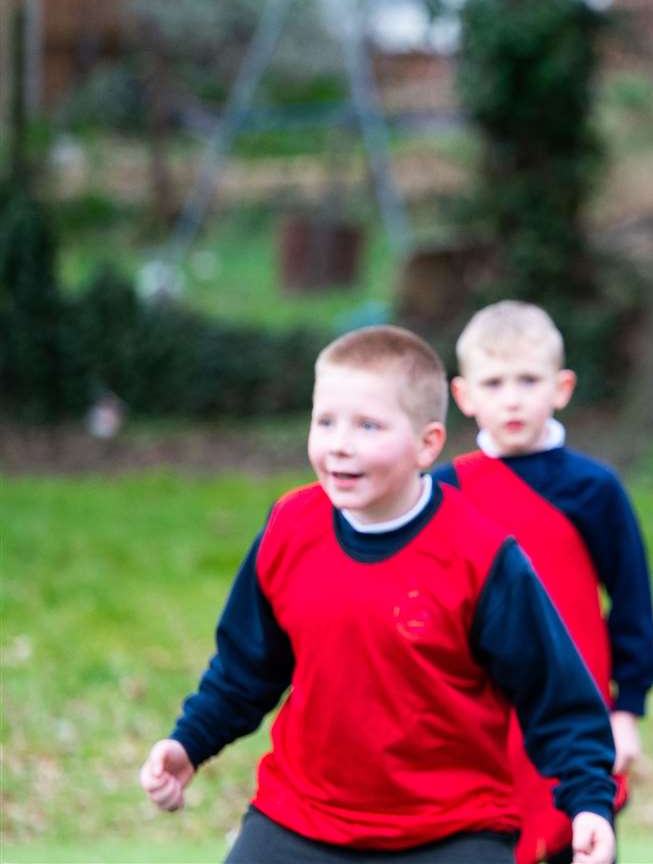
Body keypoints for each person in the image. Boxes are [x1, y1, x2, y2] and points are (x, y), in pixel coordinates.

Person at [139, 325, 617, 864]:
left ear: (427, 444)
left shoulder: (481, 556)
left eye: (368, 425)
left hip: (453, 832)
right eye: (325, 422)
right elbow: (244, 671)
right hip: (300, 821)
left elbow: (556, 695)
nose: (340, 443)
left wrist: (589, 805)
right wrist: (188, 744)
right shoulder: (289, 528)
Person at [434, 301, 653, 864]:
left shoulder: (595, 489)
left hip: (574, 710)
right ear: (464, 396)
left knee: (577, 840)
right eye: (495, 382)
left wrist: (624, 713)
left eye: (529, 380)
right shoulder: (442, 491)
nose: (512, 398)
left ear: (561, 388)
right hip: (475, 714)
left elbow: (632, 603)